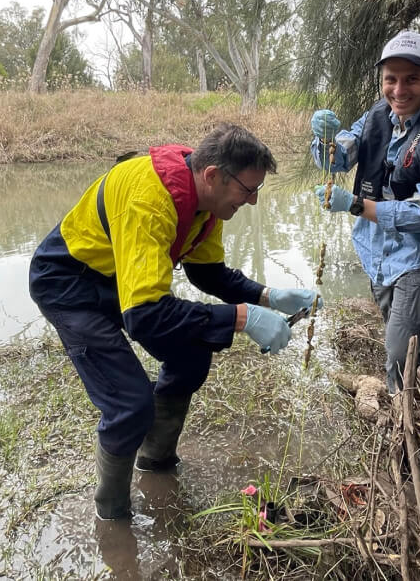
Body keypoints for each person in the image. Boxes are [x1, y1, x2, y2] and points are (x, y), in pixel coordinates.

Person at [30, 124, 322, 520]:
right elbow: (145, 317)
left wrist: (266, 296)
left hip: (117, 277)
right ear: (213, 175)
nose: (252, 201)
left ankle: (155, 459)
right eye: (247, 190)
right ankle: (113, 514)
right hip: (69, 282)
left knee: (191, 354)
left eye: (257, 190)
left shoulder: (209, 202)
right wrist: (242, 316)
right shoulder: (150, 201)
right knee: (130, 404)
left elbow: (208, 274)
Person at [311, 30, 420, 395]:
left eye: (412, 79)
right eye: (391, 79)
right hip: (377, 256)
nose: (399, 90)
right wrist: (324, 141)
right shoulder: (377, 117)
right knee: (410, 344)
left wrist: (353, 204)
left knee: (401, 355)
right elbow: (339, 157)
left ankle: (407, 436)